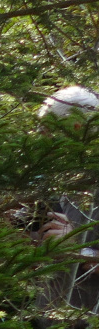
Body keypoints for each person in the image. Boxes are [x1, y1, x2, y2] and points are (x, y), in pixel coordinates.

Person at [37, 85, 99, 314]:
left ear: (76, 127)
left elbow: (71, 245)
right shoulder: (59, 177)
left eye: (47, 131)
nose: (41, 141)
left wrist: (76, 249)